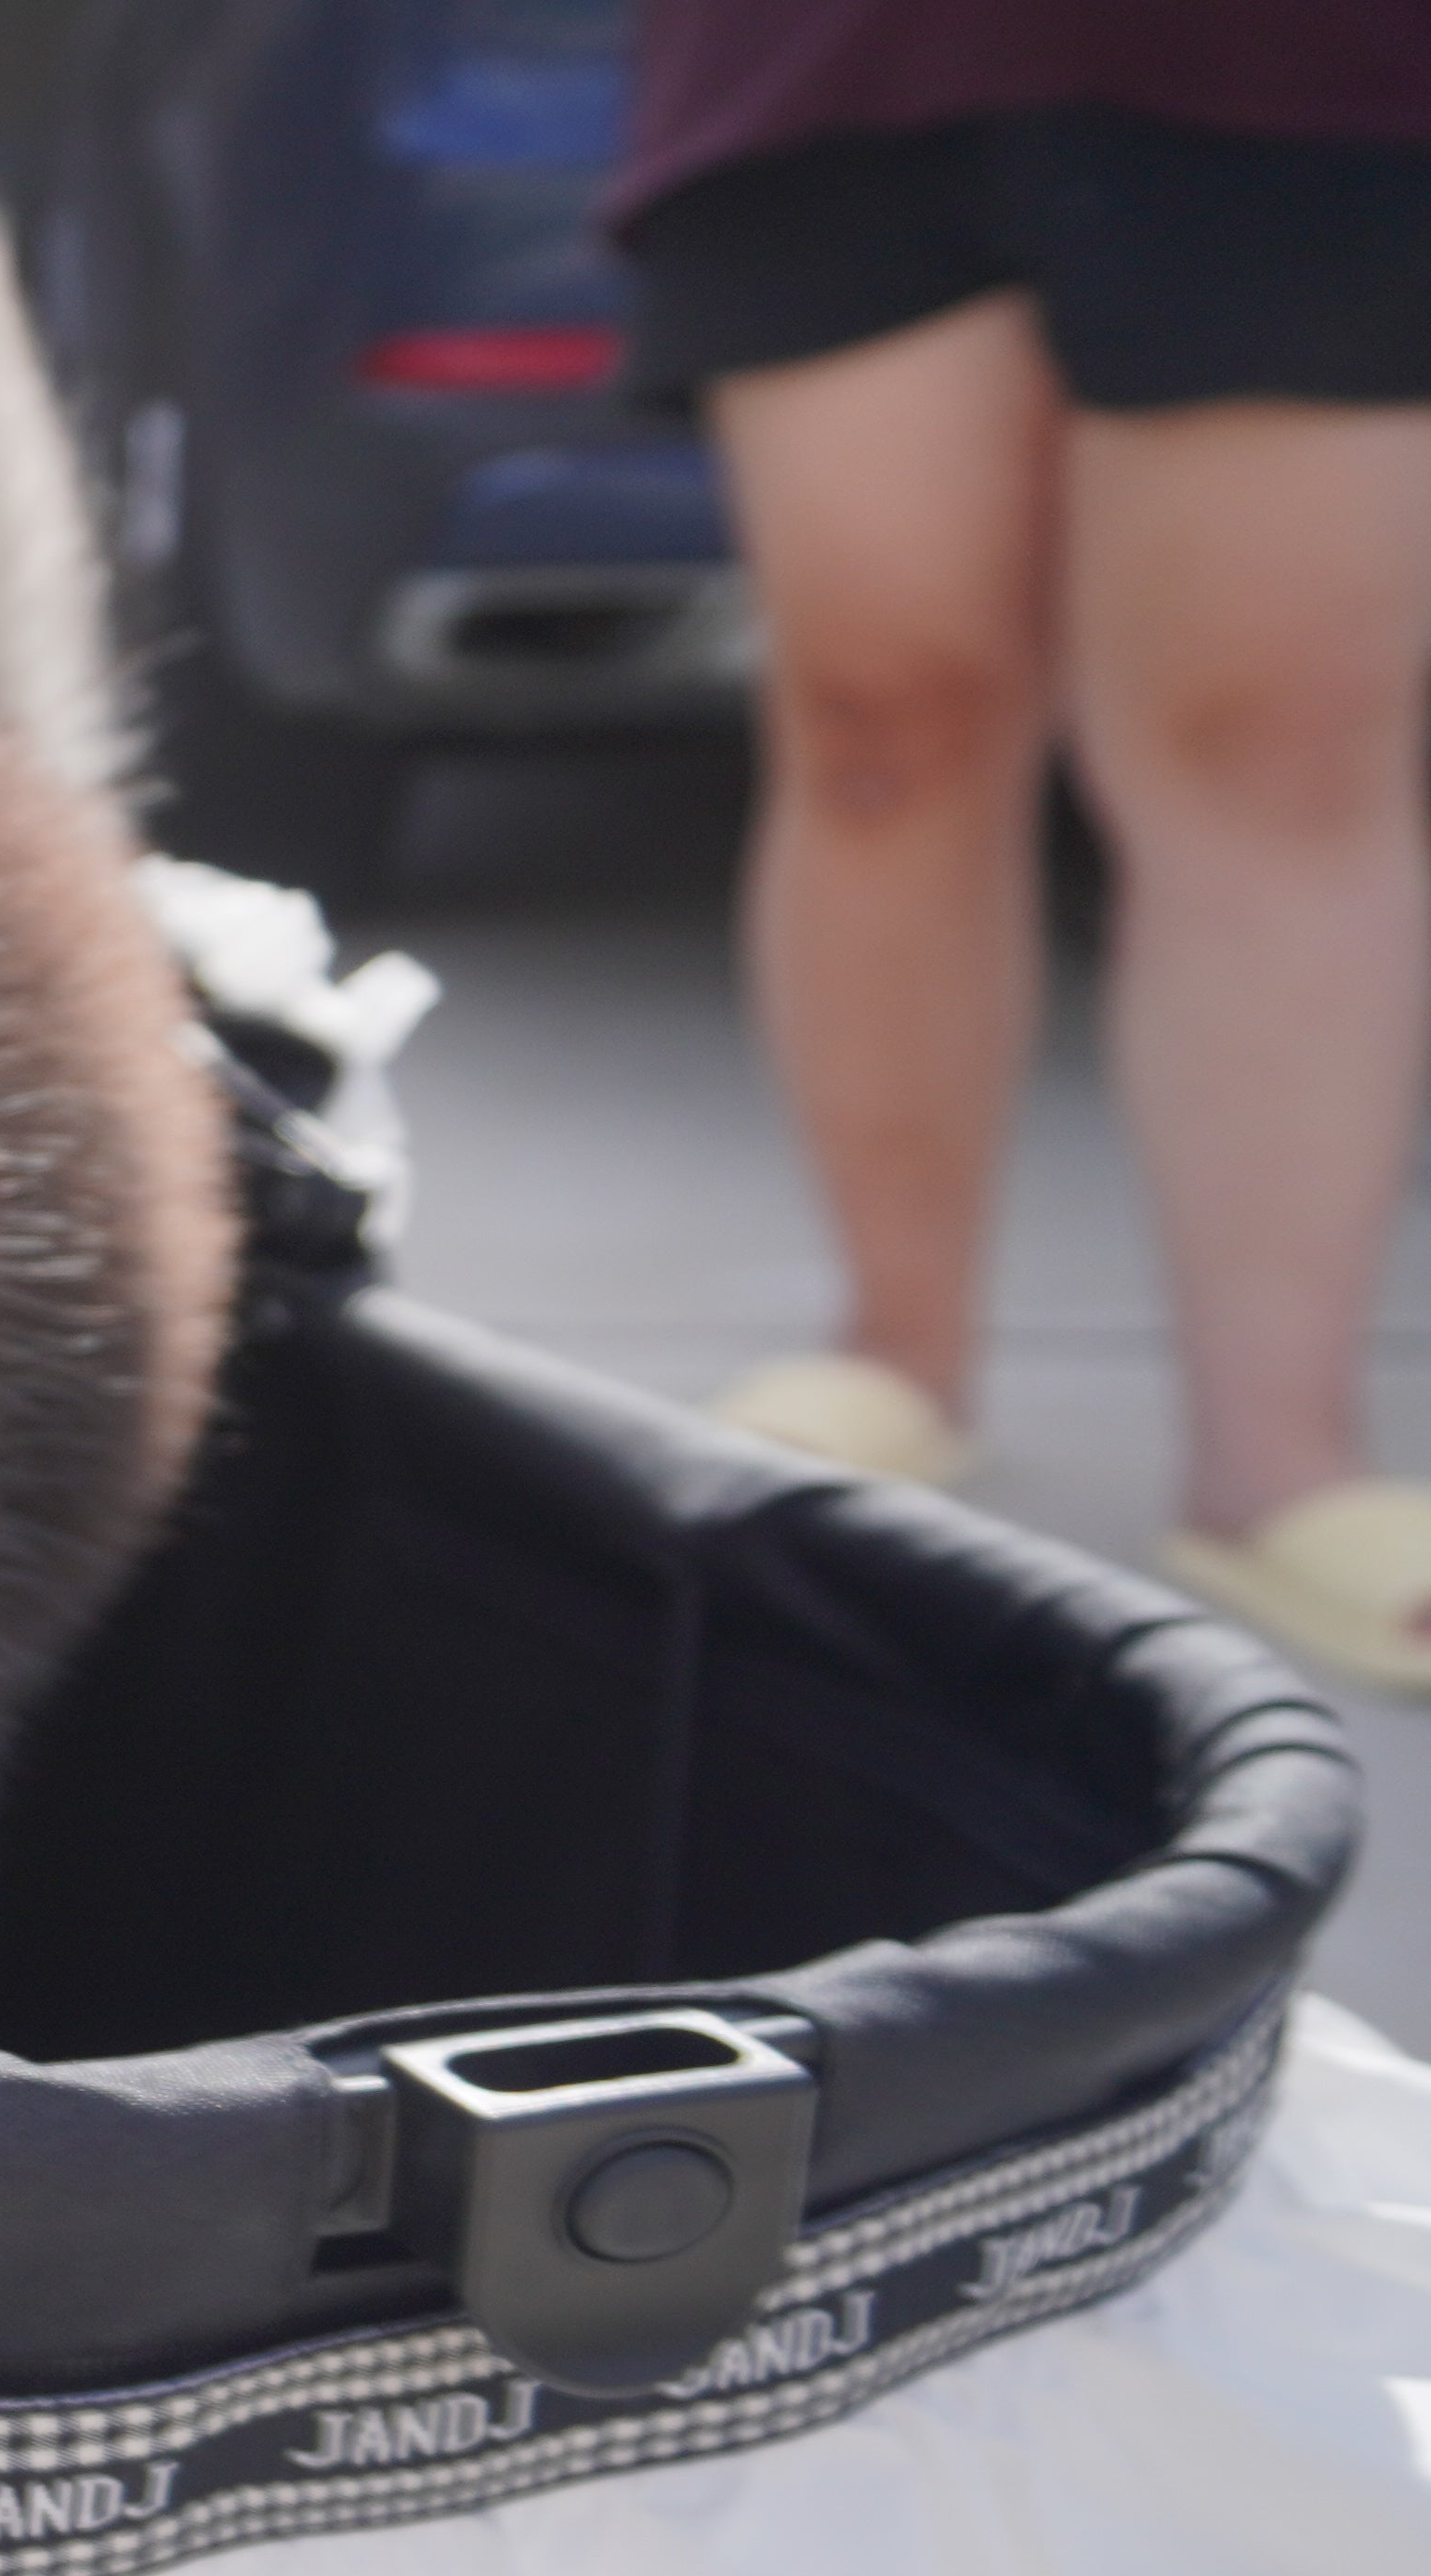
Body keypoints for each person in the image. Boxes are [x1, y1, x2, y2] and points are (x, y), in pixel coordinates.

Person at [620, 1, 1431, 1693]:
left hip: (1318, 64)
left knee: (1277, 744)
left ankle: (1283, 1457)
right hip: (835, 57)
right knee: (879, 727)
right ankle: (896, 1351)